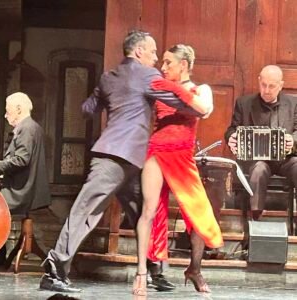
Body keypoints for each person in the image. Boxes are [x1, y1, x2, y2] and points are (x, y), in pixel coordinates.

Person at [39, 30, 208, 293]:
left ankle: (154, 270)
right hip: (116, 158)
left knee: (144, 213)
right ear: (139, 51)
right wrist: (203, 104)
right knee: (86, 211)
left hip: (128, 160)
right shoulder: (147, 75)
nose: (155, 60)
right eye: (153, 53)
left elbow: (87, 109)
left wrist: (113, 101)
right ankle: (54, 268)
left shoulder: (109, 76)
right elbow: (185, 106)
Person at [132, 44, 224, 296]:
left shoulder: (200, 89)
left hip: (182, 156)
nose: (162, 68)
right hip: (157, 151)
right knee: (149, 210)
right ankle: (141, 272)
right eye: (162, 62)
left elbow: (202, 109)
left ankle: (194, 268)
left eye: (168, 63)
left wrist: (173, 87)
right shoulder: (157, 87)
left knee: (198, 216)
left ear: (183, 65)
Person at [225, 65, 297, 220]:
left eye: (272, 86)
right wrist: (231, 138)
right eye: (263, 85)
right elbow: (232, 129)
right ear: (259, 81)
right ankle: (256, 218)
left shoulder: (293, 103)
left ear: (281, 85)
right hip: (256, 160)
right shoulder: (244, 103)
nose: (266, 90)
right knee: (258, 170)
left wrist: (293, 139)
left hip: (285, 159)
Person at [0, 92, 51, 264]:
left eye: (8, 111)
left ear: (19, 109)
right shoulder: (30, 127)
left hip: (22, 191)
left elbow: (21, 160)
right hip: (23, 186)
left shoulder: (27, 128)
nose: (6, 115)